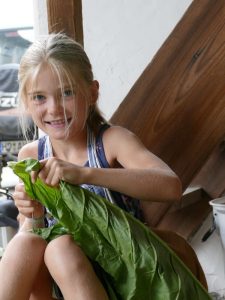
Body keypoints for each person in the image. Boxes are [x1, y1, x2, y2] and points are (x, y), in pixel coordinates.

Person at [0, 32, 193, 300]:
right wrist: (31, 214)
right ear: (26, 101)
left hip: (131, 276)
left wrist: (86, 174)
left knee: (61, 248)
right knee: (28, 243)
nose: (54, 109)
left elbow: (171, 187)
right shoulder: (32, 154)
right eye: (39, 98)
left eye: (67, 92)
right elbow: (31, 232)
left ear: (92, 93)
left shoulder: (111, 142)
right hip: (68, 278)